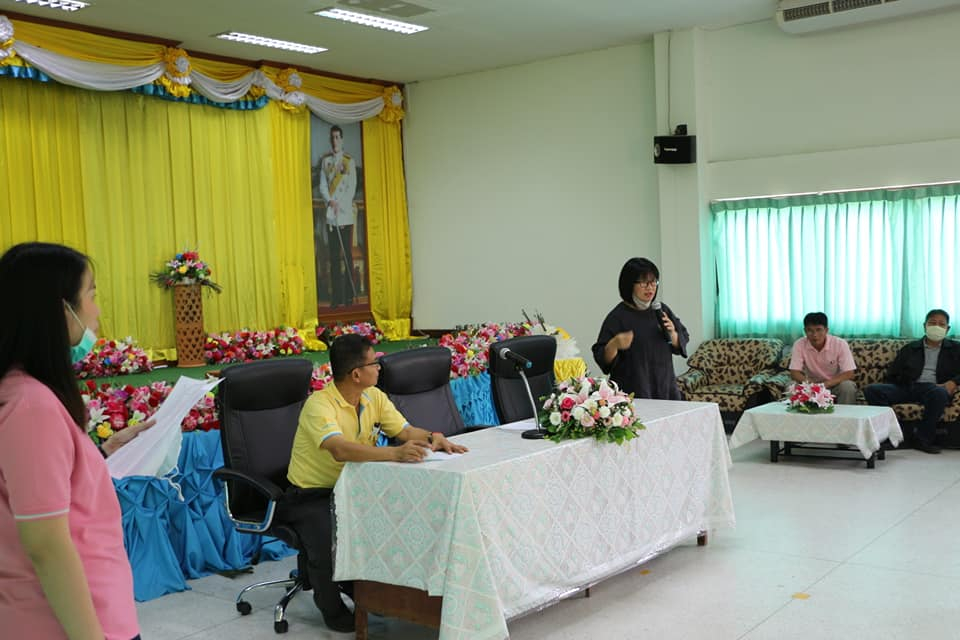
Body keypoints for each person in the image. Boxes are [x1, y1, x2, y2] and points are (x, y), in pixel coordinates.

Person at [0, 242, 151, 640]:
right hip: (71, 623)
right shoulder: (31, 405)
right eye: (91, 295)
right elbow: (46, 544)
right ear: (60, 310)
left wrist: (99, 453)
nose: (96, 311)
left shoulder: (20, 394)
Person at [285, 334, 468, 633]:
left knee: (393, 524)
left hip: (358, 487)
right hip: (311, 494)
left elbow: (404, 431)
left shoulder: (374, 397)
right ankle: (331, 608)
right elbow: (339, 449)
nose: (380, 368)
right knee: (326, 543)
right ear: (356, 374)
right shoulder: (319, 405)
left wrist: (433, 437)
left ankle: (378, 593)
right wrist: (394, 453)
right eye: (374, 363)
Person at [864, 309, 960, 454]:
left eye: (941, 324)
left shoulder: (955, 349)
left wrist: (953, 382)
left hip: (935, 388)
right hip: (907, 387)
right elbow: (892, 374)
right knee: (872, 390)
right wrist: (904, 379)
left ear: (948, 329)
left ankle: (923, 439)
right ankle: (891, 435)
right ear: (925, 326)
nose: (936, 327)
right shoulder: (910, 348)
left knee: (939, 393)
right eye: (932, 323)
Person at [592, 257, 689, 399]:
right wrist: (614, 344)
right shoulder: (617, 316)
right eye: (644, 283)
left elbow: (682, 339)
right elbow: (602, 358)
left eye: (653, 282)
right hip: (634, 392)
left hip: (665, 388)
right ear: (629, 284)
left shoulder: (661, 310)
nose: (650, 288)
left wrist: (673, 333)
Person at [317, 124, 358, 308]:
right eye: (332, 138)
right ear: (330, 140)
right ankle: (336, 298)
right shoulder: (326, 162)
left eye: (337, 137)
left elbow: (351, 187)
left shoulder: (349, 161)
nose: (335, 141)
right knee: (334, 257)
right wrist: (330, 201)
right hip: (331, 216)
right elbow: (322, 186)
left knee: (346, 256)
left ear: (342, 139)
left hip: (344, 215)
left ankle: (348, 296)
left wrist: (339, 204)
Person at [788, 312, 858, 404]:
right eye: (810, 330)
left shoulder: (840, 344)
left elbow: (849, 373)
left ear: (826, 330)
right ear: (805, 331)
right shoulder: (799, 344)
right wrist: (812, 385)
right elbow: (794, 373)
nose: (815, 335)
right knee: (791, 386)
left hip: (834, 385)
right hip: (809, 385)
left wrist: (825, 384)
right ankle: (796, 413)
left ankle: (845, 414)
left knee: (848, 386)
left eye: (819, 330)